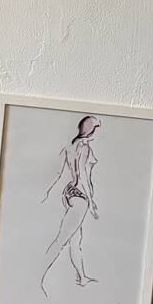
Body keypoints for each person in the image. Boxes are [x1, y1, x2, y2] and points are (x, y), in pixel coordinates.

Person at [40, 115, 101, 294]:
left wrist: (48, 194)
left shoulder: (69, 147)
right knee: (61, 240)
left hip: (69, 194)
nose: (100, 131)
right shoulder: (85, 147)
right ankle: (37, 276)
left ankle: (82, 277)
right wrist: (91, 201)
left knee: (75, 241)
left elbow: (58, 174)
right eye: (98, 127)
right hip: (80, 197)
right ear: (91, 130)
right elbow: (82, 175)